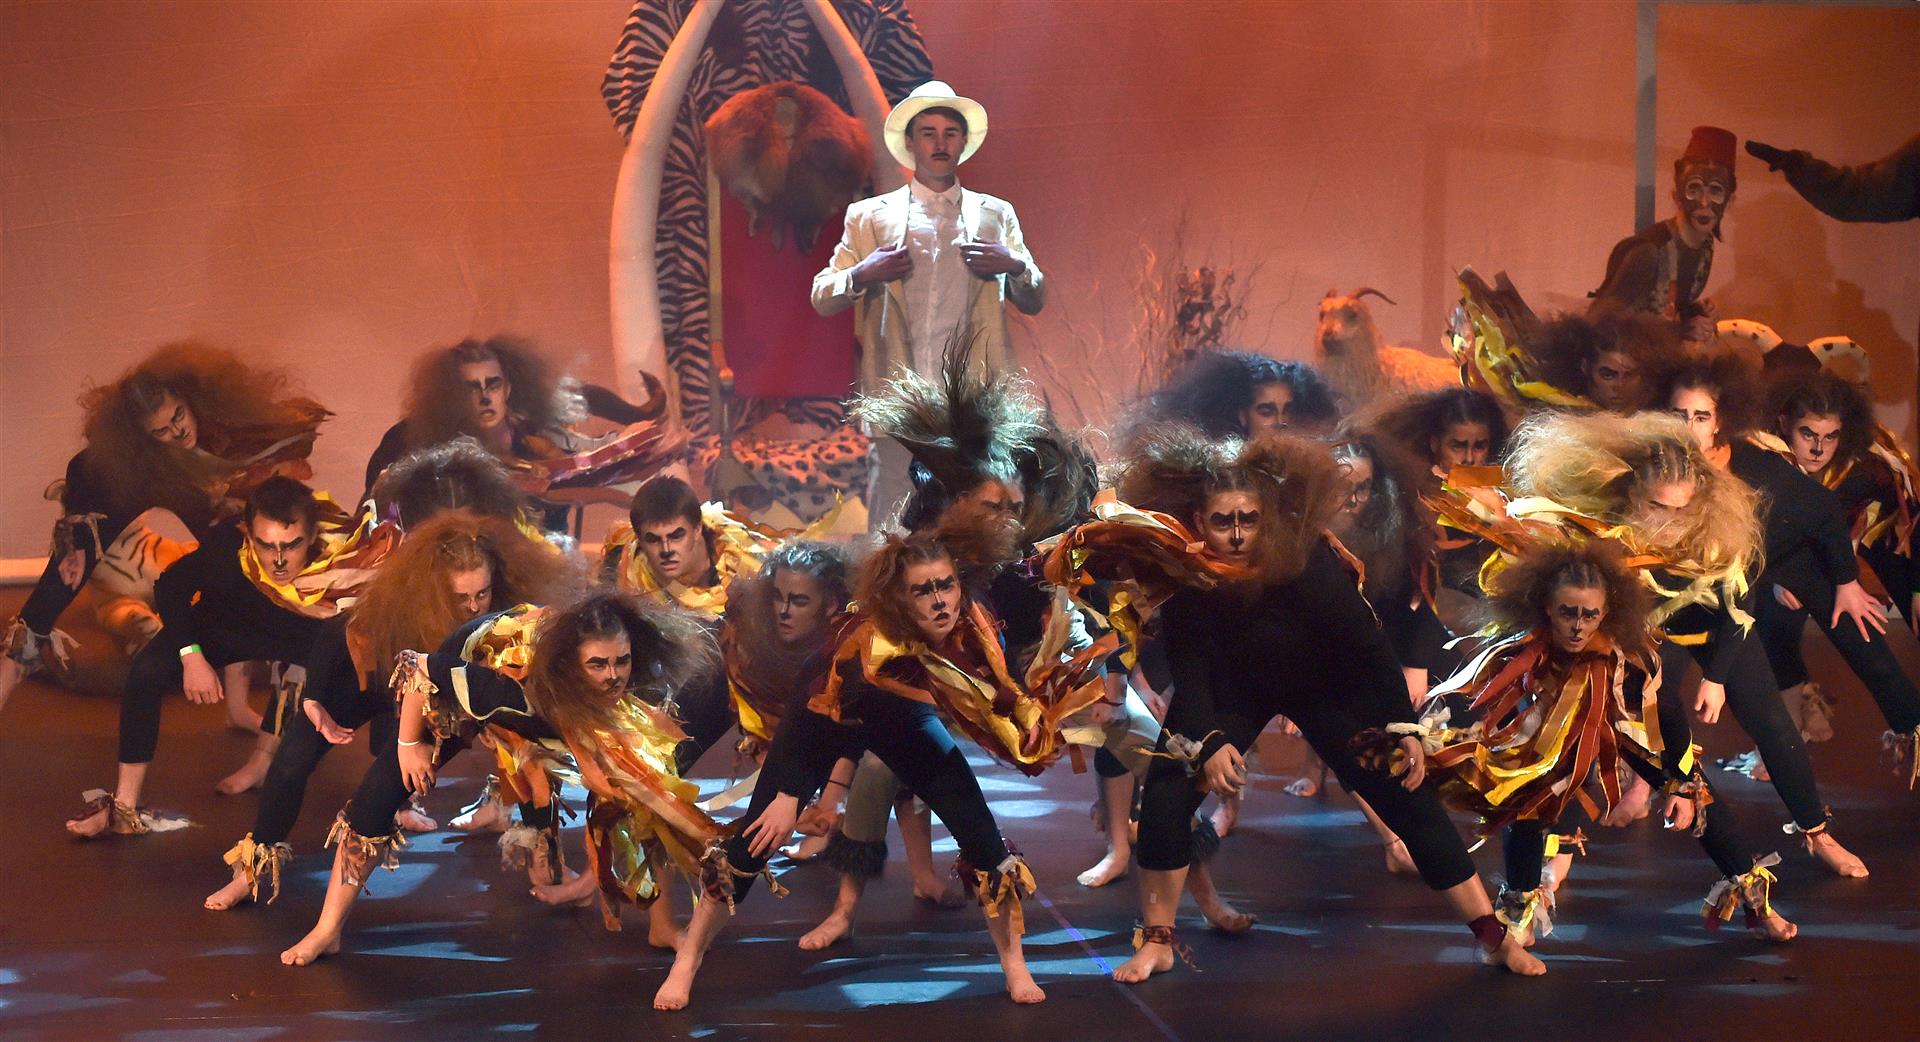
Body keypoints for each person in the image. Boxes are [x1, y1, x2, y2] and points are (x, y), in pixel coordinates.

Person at [1057, 425, 1545, 981]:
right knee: (1169, 793)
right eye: (1223, 522)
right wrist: (1211, 741)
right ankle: (1157, 941)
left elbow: (1368, 646)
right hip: (1235, 691)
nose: (1238, 534)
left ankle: (1492, 938)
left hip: (1325, 689)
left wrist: (1403, 728)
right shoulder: (1192, 571)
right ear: (1200, 522)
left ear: (1267, 518)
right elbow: (1190, 665)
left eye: (1249, 519)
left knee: (1408, 798)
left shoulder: (1305, 561)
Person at [652, 522, 1102, 1009]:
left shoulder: (974, 620)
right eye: (923, 590)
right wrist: (789, 792)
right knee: (751, 846)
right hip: (824, 715)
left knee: (987, 845)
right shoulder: (863, 643)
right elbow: (813, 719)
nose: (939, 601)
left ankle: (1015, 966)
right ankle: (688, 959)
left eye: (945, 585)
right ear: (899, 599)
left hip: (902, 718)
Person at [1503, 410, 1869, 877]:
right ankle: (1562, 851)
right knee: (1585, 725)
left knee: (1774, 725)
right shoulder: (1603, 536)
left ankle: (1818, 833)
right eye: (1657, 507)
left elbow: (1740, 609)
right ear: (1632, 495)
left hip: (1718, 632)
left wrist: (1716, 677)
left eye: (1682, 509)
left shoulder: (1716, 534)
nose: (1670, 522)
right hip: (1649, 638)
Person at [279, 590, 720, 965]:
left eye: (620, 661)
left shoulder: (630, 684)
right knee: (378, 797)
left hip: (549, 708)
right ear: (571, 666)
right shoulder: (508, 690)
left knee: (645, 793)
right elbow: (416, 667)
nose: (613, 676)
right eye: (598, 665)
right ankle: (328, 928)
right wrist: (409, 746)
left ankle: (661, 926)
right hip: (452, 691)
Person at [1395, 538, 1795, 943]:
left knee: (1700, 798)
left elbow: (1668, 715)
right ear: (1547, 607)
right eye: (1568, 613)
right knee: (1526, 801)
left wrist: (1681, 780)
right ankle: (1518, 913)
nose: (1578, 626)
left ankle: (1757, 904)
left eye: (1590, 615)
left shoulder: (1629, 657)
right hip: (1552, 736)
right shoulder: (1522, 648)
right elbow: (1482, 698)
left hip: (1623, 728)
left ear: (1607, 613)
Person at [202, 510, 577, 910]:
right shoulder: (404, 599)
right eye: (460, 597)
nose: (472, 606)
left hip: (437, 696)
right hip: (380, 677)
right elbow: (335, 630)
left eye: (480, 594)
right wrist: (313, 698)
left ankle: (542, 852)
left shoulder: (505, 614)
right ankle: (253, 867)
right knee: (292, 757)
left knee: (525, 749)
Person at [1, 342, 327, 717]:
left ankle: (238, 709)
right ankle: (13, 665)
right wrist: (73, 540)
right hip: (152, 481)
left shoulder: (218, 424)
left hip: (202, 497)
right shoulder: (133, 462)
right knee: (57, 582)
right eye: (162, 430)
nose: (177, 430)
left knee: (239, 570)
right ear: (142, 437)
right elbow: (83, 468)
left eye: (178, 415)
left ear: (187, 400)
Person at [67, 477, 397, 838]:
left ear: (313, 536)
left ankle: (392, 798)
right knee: (147, 671)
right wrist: (192, 656)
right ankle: (125, 805)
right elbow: (171, 587)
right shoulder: (228, 546)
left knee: (378, 682)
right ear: (249, 534)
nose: (279, 561)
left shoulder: (341, 560)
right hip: (225, 626)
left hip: (301, 634)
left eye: (292, 545)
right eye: (266, 546)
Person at [1660, 357, 1920, 788]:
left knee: (1863, 642)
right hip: (1747, 567)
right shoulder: (1697, 455)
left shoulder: (1769, 464)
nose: (1818, 448)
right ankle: (1670, 775)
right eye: (1679, 416)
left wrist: (1847, 581)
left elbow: (1824, 513)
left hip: (1802, 555)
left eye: (1700, 416)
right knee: (1730, 651)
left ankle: (1909, 729)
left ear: (1717, 419)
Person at [811, 80, 1045, 523]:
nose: (940, 143)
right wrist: (864, 272)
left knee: (981, 507)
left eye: (950, 132)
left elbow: (1035, 296)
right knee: (895, 515)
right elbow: (822, 295)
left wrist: (1013, 263)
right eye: (928, 132)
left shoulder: (995, 214)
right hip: (900, 391)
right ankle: (881, 591)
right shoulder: (870, 216)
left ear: (962, 142)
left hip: (974, 394)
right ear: (911, 142)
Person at [365, 336, 679, 532]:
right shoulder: (424, 448)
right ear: (452, 396)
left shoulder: (538, 443)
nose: (485, 397)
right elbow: (376, 508)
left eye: (493, 384)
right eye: (471, 388)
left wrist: (643, 447)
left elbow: (592, 459)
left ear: (508, 389)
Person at [1593, 125, 1739, 343]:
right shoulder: (1649, 252)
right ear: (1677, 196)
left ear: (1729, 200)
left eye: (1715, 191)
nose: (1704, 202)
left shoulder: (1704, 246)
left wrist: (1697, 312)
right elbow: (1604, 325)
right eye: (1694, 188)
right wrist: (1683, 330)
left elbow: (1664, 306)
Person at [1138, 351, 1340, 440]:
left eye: (1287, 410)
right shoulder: (1226, 470)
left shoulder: (1302, 470)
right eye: (1266, 411)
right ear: (1243, 415)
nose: (1281, 422)